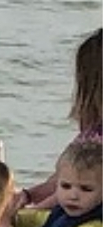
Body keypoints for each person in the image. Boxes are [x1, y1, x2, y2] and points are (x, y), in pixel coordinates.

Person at [16, 28, 102, 206]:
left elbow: (72, 188)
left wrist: (24, 215)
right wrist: (28, 195)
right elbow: (64, 179)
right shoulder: (93, 130)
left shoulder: (97, 138)